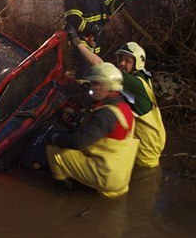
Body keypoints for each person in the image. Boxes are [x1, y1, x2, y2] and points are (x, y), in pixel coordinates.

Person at [69, 31, 166, 168]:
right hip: (151, 144)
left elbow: (99, 65)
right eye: (121, 59)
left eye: (127, 61)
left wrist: (77, 43)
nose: (121, 63)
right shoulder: (143, 78)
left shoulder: (134, 83)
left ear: (137, 64)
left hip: (145, 150)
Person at [45, 62, 140, 198]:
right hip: (121, 180)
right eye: (93, 83)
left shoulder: (105, 114)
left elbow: (79, 142)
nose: (93, 87)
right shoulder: (123, 107)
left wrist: (53, 137)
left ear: (110, 86)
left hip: (105, 177)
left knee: (53, 149)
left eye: (98, 83)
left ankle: (63, 188)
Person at [64, 0, 115, 78]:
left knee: (95, 75)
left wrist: (122, 2)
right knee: (85, 75)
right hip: (82, 44)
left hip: (96, 42)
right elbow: (73, 20)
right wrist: (92, 28)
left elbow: (110, 7)